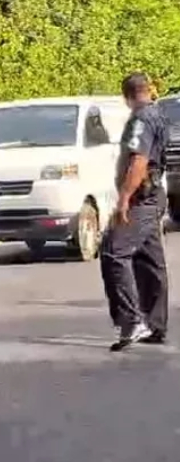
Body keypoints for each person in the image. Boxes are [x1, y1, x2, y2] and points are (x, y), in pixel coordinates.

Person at [101, 72, 169, 352]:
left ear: (127, 96)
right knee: (149, 259)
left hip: (141, 198)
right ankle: (155, 323)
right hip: (155, 195)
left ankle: (132, 321)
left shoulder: (140, 119)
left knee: (113, 252)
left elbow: (139, 160)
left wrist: (124, 199)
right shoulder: (158, 114)